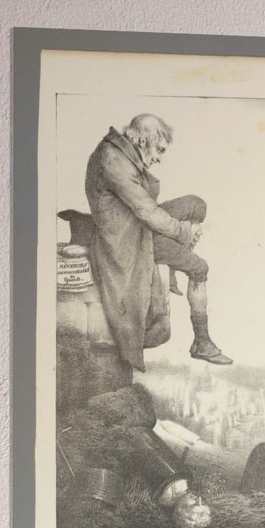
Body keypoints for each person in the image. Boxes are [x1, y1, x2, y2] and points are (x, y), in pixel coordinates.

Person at [83, 114, 232, 371]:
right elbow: (146, 211)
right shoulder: (114, 161)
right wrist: (183, 232)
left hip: (137, 224)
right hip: (129, 239)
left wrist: (181, 232)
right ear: (143, 140)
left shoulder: (120, 151)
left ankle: (173, 262)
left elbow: (145, 209)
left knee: (196, 205)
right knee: (200, 268)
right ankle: (202, 342)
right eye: (159, 149)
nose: (159, 158)